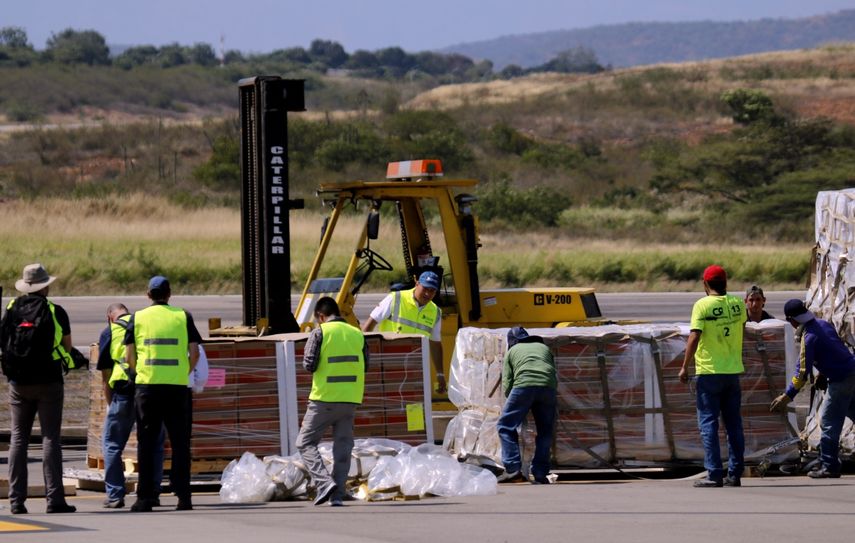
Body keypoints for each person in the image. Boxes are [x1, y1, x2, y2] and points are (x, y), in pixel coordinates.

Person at [1, 263, 78, 514]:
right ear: (45, 286)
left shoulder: (12, 307)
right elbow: (66, 346)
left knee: (18, 439)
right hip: (49, 381)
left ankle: (16, 501)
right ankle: (55, 500)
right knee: (50, 439)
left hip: (18, 382)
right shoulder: (55, 311)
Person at [124, 276, 201, 512]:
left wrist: (142, 374)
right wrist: (181, 373)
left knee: (147, 444)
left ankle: (145, 497)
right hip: (177, 389)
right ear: (169, 294)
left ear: (148, 294)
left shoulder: (137, 318)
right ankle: (183, 496)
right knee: (180, 444)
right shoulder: (182, 316)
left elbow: (129, 356)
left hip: (147, 388)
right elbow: (195, 352)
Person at [770, 299, 855, 478]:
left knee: (828, 422)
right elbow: (835, 348)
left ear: (791, 320)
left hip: (842, 380)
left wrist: (787, 396)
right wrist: (823, 374)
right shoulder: (823, 324)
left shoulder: (808, 338)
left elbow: (801, 372)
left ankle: (829, 465)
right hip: (851, 371)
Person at [679, 265, 747, 488]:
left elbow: (694, 337)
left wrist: (684, 366)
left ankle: (714, 473)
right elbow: (742, 328)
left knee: (708, 423)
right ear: (726, 283)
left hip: (709, 372)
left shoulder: (702, 305)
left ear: (705, 284)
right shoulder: (737, 304)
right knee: (734, 425)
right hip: (732, 371)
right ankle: (735, 473)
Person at [296, 297, 368, 506]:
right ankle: (337, 496)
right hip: (351, 398)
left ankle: (324, 483)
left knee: (305, 442)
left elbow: (309, 364)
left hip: (324, 398)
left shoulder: (320, 332)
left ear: (320, 316)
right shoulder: (357, 333)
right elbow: (366, 365)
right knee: (343, 448)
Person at [97, 302, 165, 509]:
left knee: (112, 444)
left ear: (110, 317)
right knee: (154, 444)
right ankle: (152, 493)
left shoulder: (110, 331)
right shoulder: (144, 324)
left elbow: (105, 374)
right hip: (150, 390)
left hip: (124, 392)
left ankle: (115, 495)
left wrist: (110, 402)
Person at [361, 271, 446, 393]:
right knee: (390, 401)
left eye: (432, 290)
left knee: (413, 406)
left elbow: (435, 344)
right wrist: (364, 358)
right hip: (388, 364)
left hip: (414, 370)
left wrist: (440, 374)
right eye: (425, 288)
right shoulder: (395, 298)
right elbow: (369, 325)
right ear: (417, 284)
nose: (427, 293)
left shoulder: (435, 312)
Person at [496, 326, 557, 484]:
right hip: (548, 387)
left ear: (512, 342)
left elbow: (507, 382)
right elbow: (552, 371)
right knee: (545, 431)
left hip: (524, 386)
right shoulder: (544, 347)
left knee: (505, 426)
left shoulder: (512, 351)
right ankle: (540, 473)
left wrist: (516, 403)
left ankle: (512, 468)